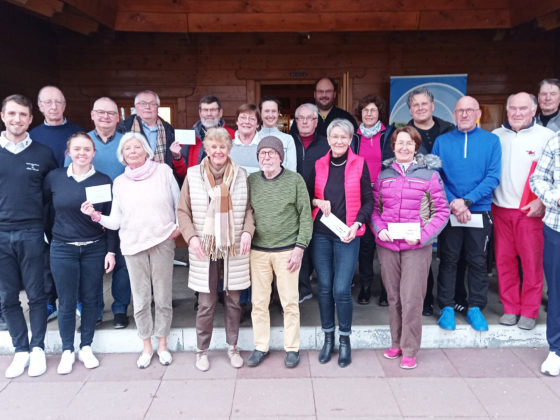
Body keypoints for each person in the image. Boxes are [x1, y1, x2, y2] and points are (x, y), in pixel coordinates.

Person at [81, 132, 181, 368]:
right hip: (132, 245)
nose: (133, 151)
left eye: (137, 147)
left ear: (146, 149)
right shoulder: (120, 182)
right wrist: (95, 216)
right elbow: (115, 221)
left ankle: (163, 344)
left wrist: (177, 228)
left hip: (162, 241)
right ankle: (147, 346)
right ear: (122, 155)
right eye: (128, 149)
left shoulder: (164, 171)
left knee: (164, 295)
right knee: (141, 297)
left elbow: (179, 204)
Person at [177, 127, 254, 372]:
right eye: (213, 146)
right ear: (206, 149)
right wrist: (192, 238)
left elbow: (249, 210)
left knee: (233, 302)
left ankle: (233, 347)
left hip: (233, 246)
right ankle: (202, 351)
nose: (218, 151)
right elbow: (182, 211)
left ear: (229, 149)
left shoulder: (241, 174)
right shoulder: (192, 174)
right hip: (205, 247)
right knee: (206, 303)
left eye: (223, 146)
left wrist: (247, 232)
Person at [372, 126, 449, 369]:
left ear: (416, 147)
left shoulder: (429, 175)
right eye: (399, 143)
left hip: (417, 247)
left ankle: (410, 348)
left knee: (412, 298)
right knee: (393, 296)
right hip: (388, 245)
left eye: (409, 143)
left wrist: (424, 237)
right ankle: (395, 341)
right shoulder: (383, 175)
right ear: (393, 147)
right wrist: (379, 228)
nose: (404, 147)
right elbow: (375, 208)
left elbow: (441, 212)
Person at [45, 132, 117, 374]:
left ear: (94, 153)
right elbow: (46, 211)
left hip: (93, 248)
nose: (82, 153)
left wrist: (110, 251)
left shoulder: (104, 180)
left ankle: (86, 346)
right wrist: (51, 239)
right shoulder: (54, 178)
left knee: (91, 299)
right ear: (69, 151)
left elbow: (109, 221)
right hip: (62, 249)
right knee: (65, 302)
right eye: (77, 149)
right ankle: (67, 349)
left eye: (87, 149)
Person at [308, 119, 373, 368]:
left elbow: (368, 201)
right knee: (324, 287)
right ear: (328, 138)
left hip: (348, 233)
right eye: (334, 136)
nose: (338, 141)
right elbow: (308, 195)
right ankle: (328, 339)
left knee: (341, 289)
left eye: (343, 137)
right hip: (322, 233)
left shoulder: (360, 163)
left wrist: (357, 224)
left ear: (350, 140)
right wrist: (317, 202)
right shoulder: (319, 164)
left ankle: (345, 340)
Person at [0, 94, 57, 378]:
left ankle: (37, 349)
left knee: (37, 294)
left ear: (31, 119)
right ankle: (20, 349)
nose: (17, 119)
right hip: (0, 234)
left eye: (23, 115)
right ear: (3, 116)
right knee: (7, 296)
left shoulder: (43, 154)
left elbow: (49, 197)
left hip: (32, 231)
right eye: (12, 114)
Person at [433, 96, 501, 331]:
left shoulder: (491, 141)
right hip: (450, 210)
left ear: (478, 113)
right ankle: (447, 307)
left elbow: (492, 177)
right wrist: (454, 203)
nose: (464, 115)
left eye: (469, 110)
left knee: (477, 261)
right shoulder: (442, 141)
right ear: (454, 114)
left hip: (479, 210)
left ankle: (475, 307)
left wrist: (467, 201)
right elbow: (437, 176)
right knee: (449, 260)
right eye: (460, 111)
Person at [65, 97, 131, 329]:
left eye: (111, 113)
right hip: (89, 213)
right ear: (92, 115)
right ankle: (94, 310)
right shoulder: (83, 142)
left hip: (123, 211)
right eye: (100, 112)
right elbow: (69, 177)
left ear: (118, 117)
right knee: (93, 265)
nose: (105, 117)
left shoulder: (127, 141)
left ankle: (121, 308)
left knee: (122, 262)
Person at [246, 136, 312, 368]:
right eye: (262, 153)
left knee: (290, 302)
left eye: (271, 153)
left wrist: (300, 248)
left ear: (280, 157)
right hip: (258, 251)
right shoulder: (251, 180)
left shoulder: (295, 180)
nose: (266, 157)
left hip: (287, 251)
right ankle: (260, 346)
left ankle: (292, 348)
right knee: (259, 302)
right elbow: (246, 213)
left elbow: (306, 216)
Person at [492, 92, 555, 330]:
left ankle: (529, 310)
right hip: (500, 210)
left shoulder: (547, 137)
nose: (517, 113)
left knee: (532, 264)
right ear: (507, 110)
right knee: (504, 262)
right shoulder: (496, 136)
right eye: (513, 109)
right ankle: (510, 308)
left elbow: (554, 175)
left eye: (523, 109)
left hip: (531, 211)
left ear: (534, 110)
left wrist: (542, 200)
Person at [30, 85, 84, 322]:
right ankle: (50, 301)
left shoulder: (78, 133)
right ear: (40, 106)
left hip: (75, 203)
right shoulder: (32, 136)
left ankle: (79, 299)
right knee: (48, 255)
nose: (54, 107)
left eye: (58, 102)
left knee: (78, 251)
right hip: (45, 205)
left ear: (65, 105)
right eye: (48, 102)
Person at [291, 103, 331, 303]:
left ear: (316, 122)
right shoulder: (288, 142)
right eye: (301, 118)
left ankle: (325, 289)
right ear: (295, 121)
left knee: (320, 246)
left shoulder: (326, 144)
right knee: (300, 246)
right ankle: (303, 287)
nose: (305, 121)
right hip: (293, 204)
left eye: (309, 118)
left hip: (321, 204)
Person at [353, 94, 391, 306]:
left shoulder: (389, 135)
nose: (369, 114)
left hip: (386, 196)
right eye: (365, 110)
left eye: (373, 110)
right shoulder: (354, 137)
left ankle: (386, 290)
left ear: (379, 114)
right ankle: (366, 287)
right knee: (366, 245)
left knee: (385, 243)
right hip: (362, 196)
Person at [530, 131, 560, 376]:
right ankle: (557, 350)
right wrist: (556, 198)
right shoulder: (556, 140)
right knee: (558, 291)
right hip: (557, 227)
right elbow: (537, 179)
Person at [117, 90, 186, 181]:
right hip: (132, 182)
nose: (147, 107)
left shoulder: (169, 130)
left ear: (157, 107)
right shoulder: (122, 129)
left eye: (152, 103)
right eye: (142, 103)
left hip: (162, 181)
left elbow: (178, 164)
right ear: (136, 107)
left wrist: (177, 156)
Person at [292, 77, 357, 137]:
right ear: (315, 94)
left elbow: (355, 144)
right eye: (320, 91)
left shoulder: (346, 117)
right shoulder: (302, 118)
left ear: (334, 94)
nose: (324, 95)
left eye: (328, 91)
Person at [182, 95, 236, 168]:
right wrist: (177, 157)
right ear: (200, 113)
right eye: (205, 110)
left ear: (220, 112)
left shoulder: (233, 135)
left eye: (213, 110)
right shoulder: (190, 136)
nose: (209, 114)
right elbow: (183, 173)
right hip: (197, 178)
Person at [258, 96, 297, 171]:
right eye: (266, 111)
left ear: (278, 113)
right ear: (260, 113)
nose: (270, 115)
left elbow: (291, 171)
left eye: (273, 111)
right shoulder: (254, 138)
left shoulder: (288, 139)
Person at [229, 103, 263, 174]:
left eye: (252, 119)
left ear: (258, 124)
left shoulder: (265, 147)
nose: (247, 121)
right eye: (243, 118)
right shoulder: (227, 146)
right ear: (237, 121)